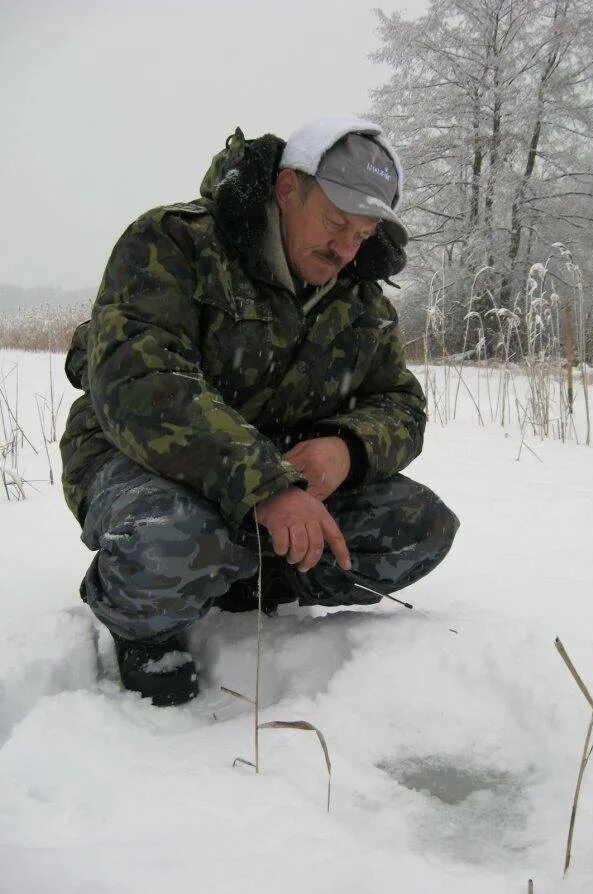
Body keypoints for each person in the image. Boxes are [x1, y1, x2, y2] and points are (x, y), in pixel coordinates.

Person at [60, 117, 459, 706]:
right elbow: (142, 384)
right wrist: (268, 487)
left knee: (418, 527)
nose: (348, 248)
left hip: (283, 481)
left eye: (364, 232)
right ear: (287, 189)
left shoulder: (362, 301)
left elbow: (400, 404)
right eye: (336, 222)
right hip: (143, 463)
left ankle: (240, 577)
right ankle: (147, 625)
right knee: (174, 539)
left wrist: (345, 449)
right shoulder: (173, 243)